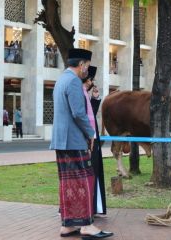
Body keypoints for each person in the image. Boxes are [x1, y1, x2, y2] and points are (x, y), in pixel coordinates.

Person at [50, 48, 113, 239]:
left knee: (68, 184)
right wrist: (91, 133)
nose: (87, 69)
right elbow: (78, 113)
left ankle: (68, 225)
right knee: (84, 182)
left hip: (62, 141)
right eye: (86, 65)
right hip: (74, 140)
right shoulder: (74, 82)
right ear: (82, 64)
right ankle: (86, 225)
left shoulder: (61, 79)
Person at [82, 66, 107, 216]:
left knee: (94, 171)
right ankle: (87, 208)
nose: (92, 83)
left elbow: (88, 114)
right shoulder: (78, 92)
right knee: (88, 173)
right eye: (91, 80)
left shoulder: (84, 93)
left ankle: (93, 206)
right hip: (86, 140)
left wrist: (95, 98)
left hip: (92, 138)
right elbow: (81, 117)